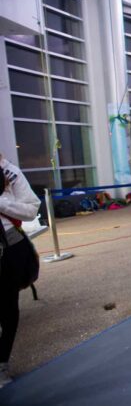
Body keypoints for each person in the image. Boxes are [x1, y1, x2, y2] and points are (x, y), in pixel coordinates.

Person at [0, 153, 41, 388]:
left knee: (7, 310)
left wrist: (1, 202)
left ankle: (1, 363)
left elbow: (31, 209)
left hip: (8, 246)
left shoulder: (9, 171)